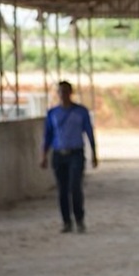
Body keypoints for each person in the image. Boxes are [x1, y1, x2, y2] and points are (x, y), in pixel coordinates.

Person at [40, 80, 98, 233]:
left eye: (65, 92)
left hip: (76, 154)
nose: (63, 95)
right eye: (60, 92)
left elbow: (89, 132)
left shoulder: (81, 112)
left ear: (70, 93)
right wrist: (44, 155)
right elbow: (47, 135)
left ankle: (79, 219)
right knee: (62, 189)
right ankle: (66, 221)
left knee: (75, 186)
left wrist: (94, 153)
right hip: (59, 154)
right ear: (57, 94)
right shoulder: (53, 113)